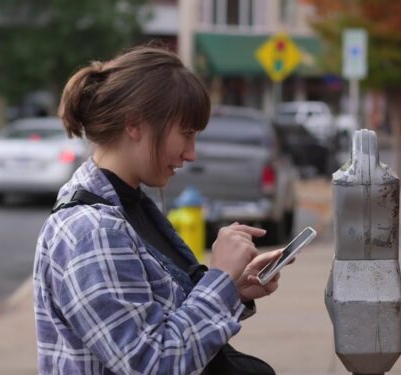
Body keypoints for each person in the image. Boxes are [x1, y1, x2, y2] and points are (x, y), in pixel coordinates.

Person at [33, 45, 284, 374]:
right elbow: (153, 363)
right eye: (186, 133)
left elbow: (160, 323)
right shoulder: (94, 232)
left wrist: (232, 290)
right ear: (134, 124)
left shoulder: (127, 205)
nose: (191, 153)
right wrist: (219, 277)